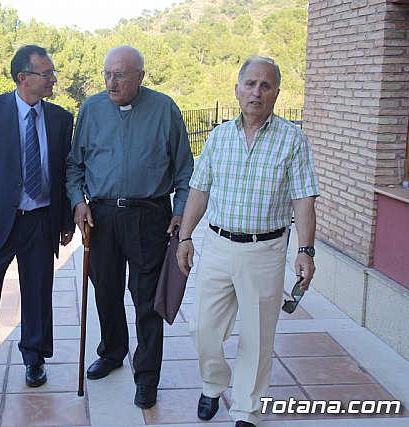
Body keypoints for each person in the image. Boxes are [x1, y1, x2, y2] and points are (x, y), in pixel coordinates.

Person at [176, 56, 319, 427]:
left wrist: (305, 249)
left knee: (256, 339)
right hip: (219, 246)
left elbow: (303, 198)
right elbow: (199, 189)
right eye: (250, 84)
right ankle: (212, 384)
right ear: (237, 90)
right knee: (202, 328)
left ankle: (246, 409)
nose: (257, 92)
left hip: (266, 250)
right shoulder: (219, 137)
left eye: (266, 85)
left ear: (276, 93)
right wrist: (186, 236)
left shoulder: (293, 139)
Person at [66, 45, 193, 409]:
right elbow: (75, 166)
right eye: (107, 74)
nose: (111, 82)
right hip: (102, 216)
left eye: (120, 75)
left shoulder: (164, 108)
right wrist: (78, 202)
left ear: (140, 75)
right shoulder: (91, 109)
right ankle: (112, 352)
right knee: (105, 289)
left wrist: (181, 210)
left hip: (150, 215)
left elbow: (184, 168)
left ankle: (147, 375)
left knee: (147, 300)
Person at [0, 45, 75, 394]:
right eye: (47, 73)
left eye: (52, 73)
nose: (53, 79)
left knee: (38, 294)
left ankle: (34, 360)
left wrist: (65, 220)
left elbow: (65, 174)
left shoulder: (61, 119)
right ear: (23, 78)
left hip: (40, 221)